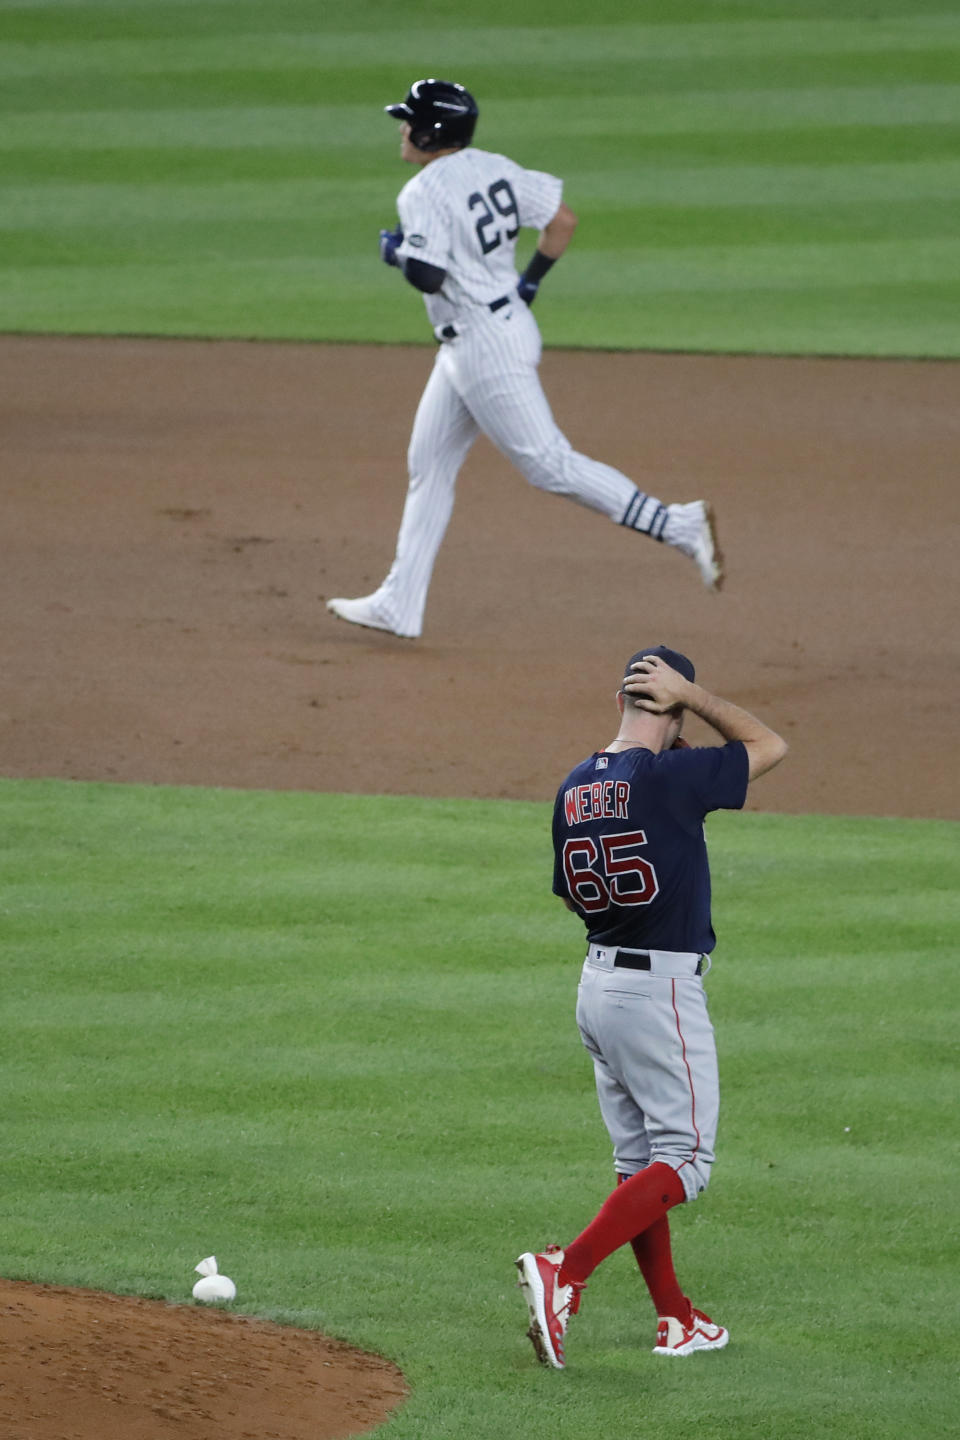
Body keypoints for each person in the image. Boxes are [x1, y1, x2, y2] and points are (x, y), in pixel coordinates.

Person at [327, 80, 723, 641]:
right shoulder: (495, 166)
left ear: (431, 131)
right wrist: (527, 285)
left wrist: (394, 251)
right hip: (494, 328)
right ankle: (400, 602)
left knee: (549, 464)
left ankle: (677, 524)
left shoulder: (421, 192)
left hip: (484, 347)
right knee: (431, 465)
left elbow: (427, 274)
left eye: (408, 119)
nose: (401, 128)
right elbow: (562, 221)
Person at [515, 645, 787, 1368]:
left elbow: (571, 892)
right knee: (686, 1160)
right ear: (672, 704)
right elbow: (769, 745)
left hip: (597, 986)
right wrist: (696, 698)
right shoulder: (673, 778)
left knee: (638, 1161)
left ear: (618, 704)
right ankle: (563, 1271)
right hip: (657, 991)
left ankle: (676, 1318)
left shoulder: (573, 786)